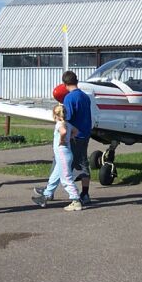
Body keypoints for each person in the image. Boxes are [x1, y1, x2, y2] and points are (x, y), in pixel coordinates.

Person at [32, 105, 82, 211]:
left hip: (62, 155)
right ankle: (46, 195)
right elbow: (76, 131)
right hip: (66, 154)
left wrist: (62, 140)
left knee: (66, 178)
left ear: (55, 115)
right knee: (55, 176)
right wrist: (70, 137)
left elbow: (63, 132)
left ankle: (76, 200)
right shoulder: (68, 124)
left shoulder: (60, 124)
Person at [61, 71, 93, 205]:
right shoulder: (85, 97)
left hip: (74, 136)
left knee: (63, 163)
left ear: (65, 84)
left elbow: (67, 118)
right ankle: (84, 192)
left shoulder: (69, 98)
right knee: (83, 162)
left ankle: (49, 191)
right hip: (85, 133)